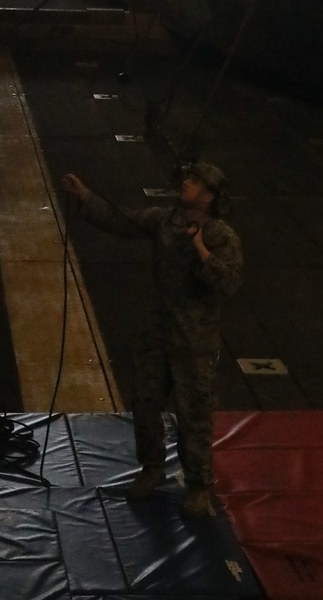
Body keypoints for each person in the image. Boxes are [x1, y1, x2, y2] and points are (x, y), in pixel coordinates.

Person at [62, 160, 242, 516]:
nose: (186, 183)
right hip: (158, 332)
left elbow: (228, 283)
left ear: (208, 197)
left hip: (194, 342)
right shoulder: (165, 220)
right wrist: (85, 197)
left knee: (195, 415)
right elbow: (122, 221)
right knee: (145, 403)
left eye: (194, 181)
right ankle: (152, 468)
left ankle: (199, 486)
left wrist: (201, 248)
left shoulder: (221, 236)